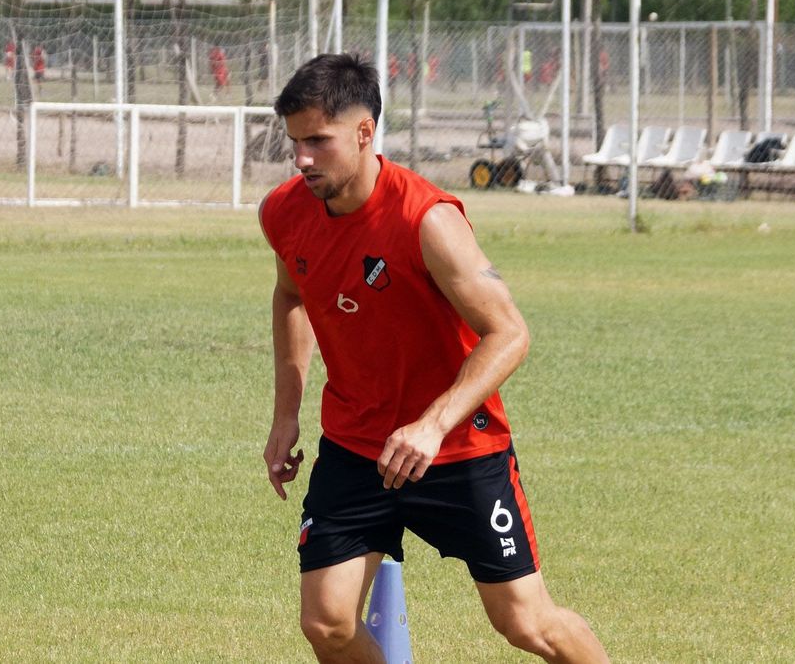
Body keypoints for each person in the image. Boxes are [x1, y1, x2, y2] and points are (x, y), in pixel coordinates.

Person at [259, 53, 610, 664]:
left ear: (366, 133)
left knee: (527, 624)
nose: (302, 159)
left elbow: (509, 332)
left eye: (318, 140)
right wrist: (286, 415)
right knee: (326, 623)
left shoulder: (428, 219)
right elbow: (292, 292)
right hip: (354, 445)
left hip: (457, 451)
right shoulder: (285, 211)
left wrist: (432, 422)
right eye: (295, 142)